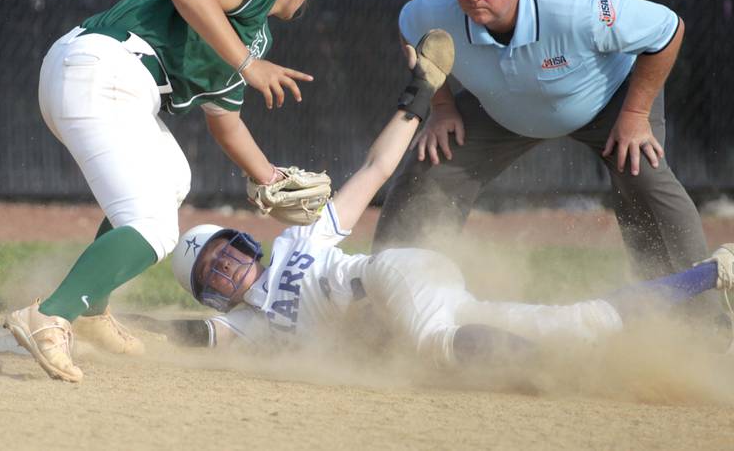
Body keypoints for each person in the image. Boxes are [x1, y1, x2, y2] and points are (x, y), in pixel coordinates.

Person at [161, 39, 734, 368]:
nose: (226, 266)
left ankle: (547, 377)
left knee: (437, 344)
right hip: (422, 302)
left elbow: (377, 169)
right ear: (213, 297)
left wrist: (418, 93)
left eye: (224, 250)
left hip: (392, 277)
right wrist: (86, 317)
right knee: (572, 324)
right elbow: (186, 335)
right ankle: (716, 272)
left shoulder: (299, 239)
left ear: (245, 242)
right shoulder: (248, 327)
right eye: (212, 273)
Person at [4, 0, 335, 383]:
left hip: (90, 73)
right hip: (103, 73)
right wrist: (250, 64)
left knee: (173, 177)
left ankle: (93, 307)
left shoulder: (249, 30)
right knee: (155, 229)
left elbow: (226, 123)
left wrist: (269, 179)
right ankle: (51, 314)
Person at [371, 0, 722, 331]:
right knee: (429, 169)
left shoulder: (575, 6)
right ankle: (384, 313)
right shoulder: (434, 7)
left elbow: (667, 28)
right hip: (503, 105)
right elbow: (409, 30)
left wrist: (634, 115)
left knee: (645, 181)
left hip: (606, 99)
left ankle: (701, 329)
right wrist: (443, 108)